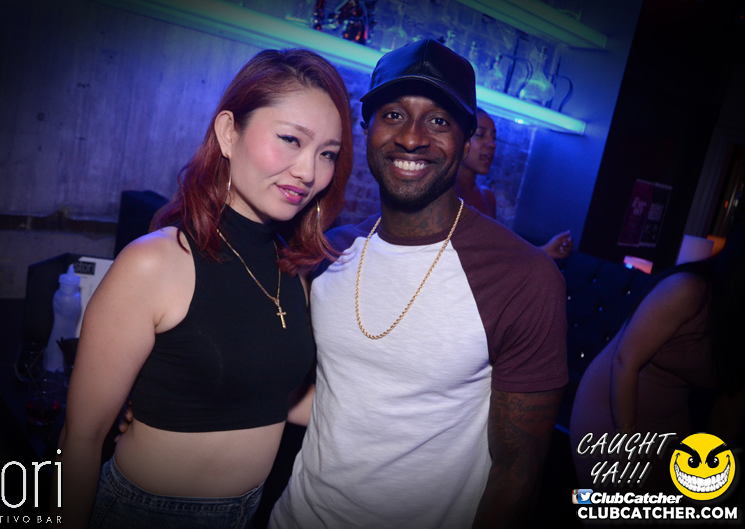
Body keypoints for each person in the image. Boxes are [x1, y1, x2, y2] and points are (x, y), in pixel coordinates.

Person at [268, 38, 568, 529]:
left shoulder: (523, 277)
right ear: (366, 130)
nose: (411, 138)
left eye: (439, 121)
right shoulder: (326, 254)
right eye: (393, 115)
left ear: (464, 141)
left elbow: (518, 469)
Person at [52, 48, 354, 529]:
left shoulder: (293, 272)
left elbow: (271, 396)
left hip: (249, 513)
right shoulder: (153, 263)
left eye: (327, 154)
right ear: (229, 132)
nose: (308, 171)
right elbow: (81, 439)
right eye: (291, 139)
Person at [569, 227, 745, 494]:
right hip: (611, 412)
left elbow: (728, 412)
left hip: (670, 423)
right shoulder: (688, 290)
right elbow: (624, 361)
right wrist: (628, 442)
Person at [455, 109, 574, 260]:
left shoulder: (487, 198)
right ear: (459, 140)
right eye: (480, 134)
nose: (492, 144)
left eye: (494, 138)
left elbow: (495, 256)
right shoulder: (443, 193)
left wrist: (544, 252)